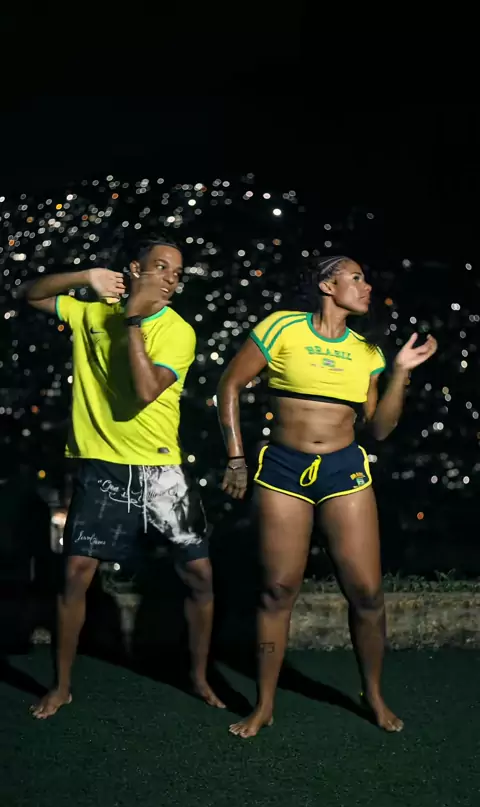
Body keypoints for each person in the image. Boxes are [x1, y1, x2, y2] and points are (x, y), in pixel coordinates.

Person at [218, 255, 437, 738]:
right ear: (326, 285)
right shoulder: (281, 328)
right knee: (278, 590)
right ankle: (264, 704)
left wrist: (401, 372)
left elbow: (379, 429)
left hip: (343, 471)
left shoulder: (367, 353)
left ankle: (373, 694)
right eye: (356, 277)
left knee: (367, 592)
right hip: (283, 469)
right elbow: (229, 384)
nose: (366, 285)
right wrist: (235, 458)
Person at [27, 236, 225, 718]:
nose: (171, 278)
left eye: (177, 272)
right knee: (76, 574)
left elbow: (145, 391)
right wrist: (86, 277)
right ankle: (62, 685)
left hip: (162, 471)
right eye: (161, 267)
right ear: (135, 269)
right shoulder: (91, 314)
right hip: (102, 466)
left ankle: (199, 676)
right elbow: (28, 294)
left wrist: (133, 320)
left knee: (200, 576)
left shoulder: (177, 331)